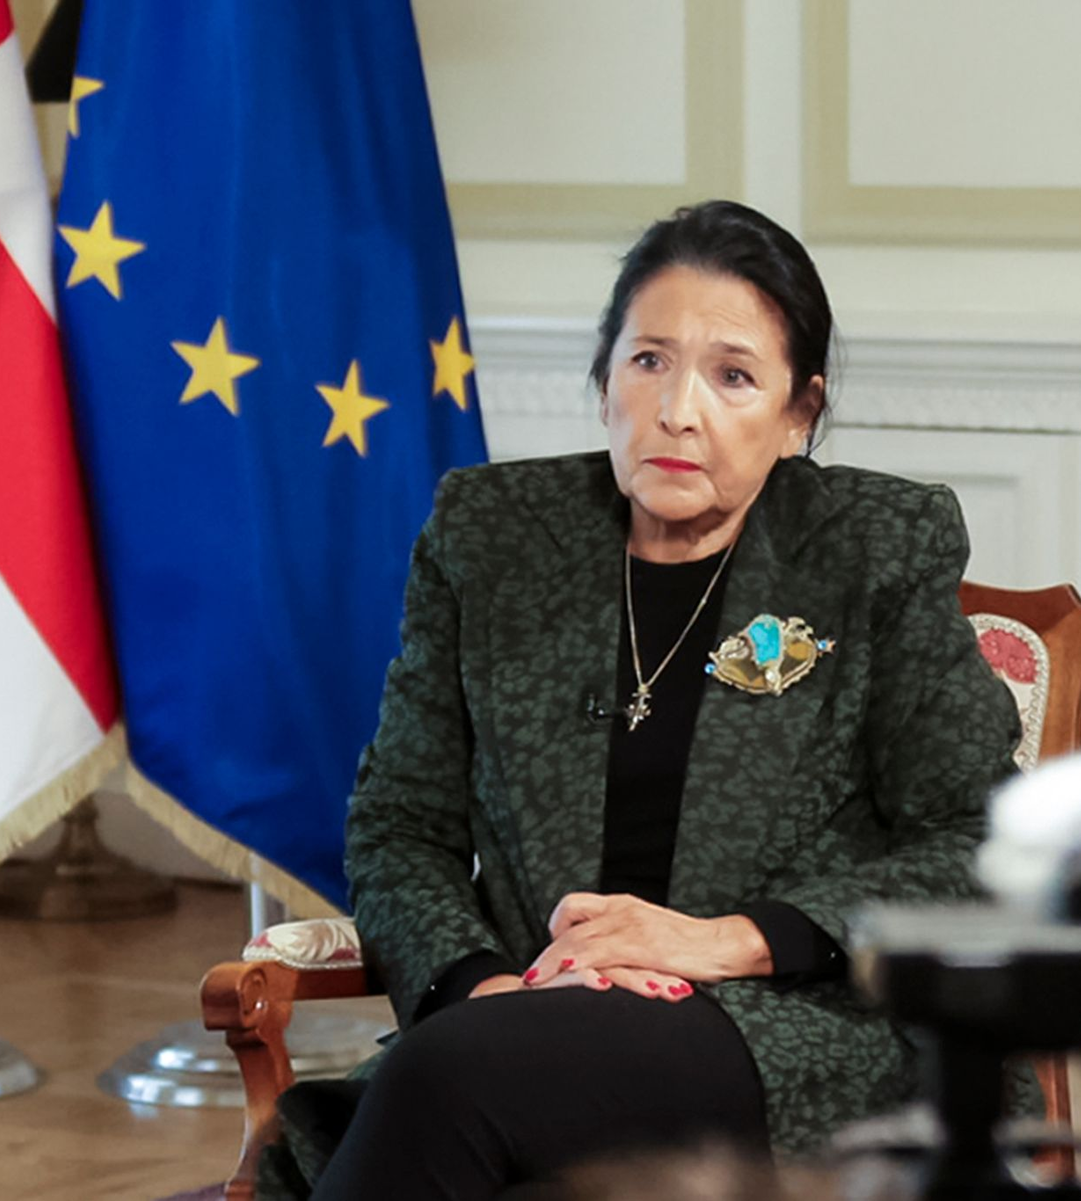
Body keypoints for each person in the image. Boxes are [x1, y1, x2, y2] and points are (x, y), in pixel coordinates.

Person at [285, 200, 1022, 1200]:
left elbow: (983, 843)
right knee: (487, 1110)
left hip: (794, 1028)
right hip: (530, 1022)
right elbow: (400, 824)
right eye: (648, 361)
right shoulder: (491, 537)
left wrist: (722, 940)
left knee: (444, 1085)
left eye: (733, 376)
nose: (679, 410)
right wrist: (481, 987)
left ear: (798, 415)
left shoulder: (874, 547)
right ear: (603, 383)